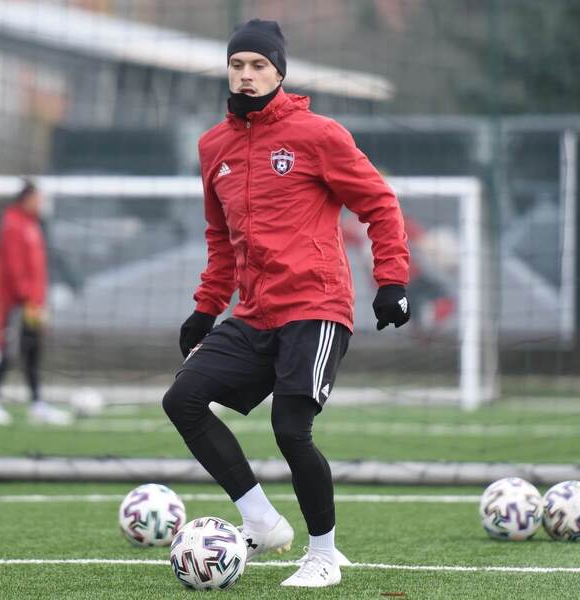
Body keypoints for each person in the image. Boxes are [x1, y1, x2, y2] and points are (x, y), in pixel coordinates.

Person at [161, 19, 410, 588]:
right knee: (184, 398)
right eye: (238, 65)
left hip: (316, 305)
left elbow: (380, 205)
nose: (247, 76)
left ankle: (323, 554)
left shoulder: (318, 134)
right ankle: (261, 520)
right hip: (255, 313)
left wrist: (392, 281)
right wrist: (205, 308)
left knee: (290, 428)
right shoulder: (213, 147)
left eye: (259, 66)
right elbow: (221, 240)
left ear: (279, 72)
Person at [0, 181, 73, 426]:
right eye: (38, 199)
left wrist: (38, 301)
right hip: (19, 303)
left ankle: (36, 403)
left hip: (33, 303)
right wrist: (25, 298)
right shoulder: (13, 224)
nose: (41, 204)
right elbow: (14, 267)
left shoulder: (31, 225)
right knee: (10, 350)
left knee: (33, 351)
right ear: (26, 199)